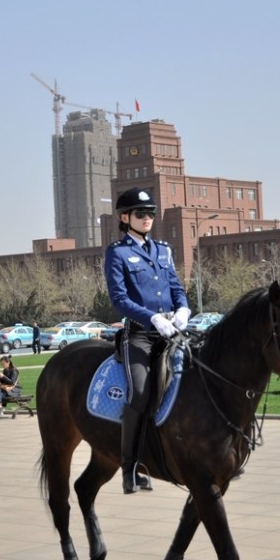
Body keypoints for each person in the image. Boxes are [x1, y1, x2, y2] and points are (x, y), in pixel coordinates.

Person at [104, 187, 190, 494]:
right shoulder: (117, 252)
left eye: (151, 213)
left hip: (172, 330)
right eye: (141, 214)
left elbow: (176, 286)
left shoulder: (163, 250)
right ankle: (131, 468)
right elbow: (119, 298)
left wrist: (183, 309)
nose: (147, 218)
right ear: (125, 218)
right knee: (140, 393)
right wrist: (151, 318)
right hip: (140, 336)